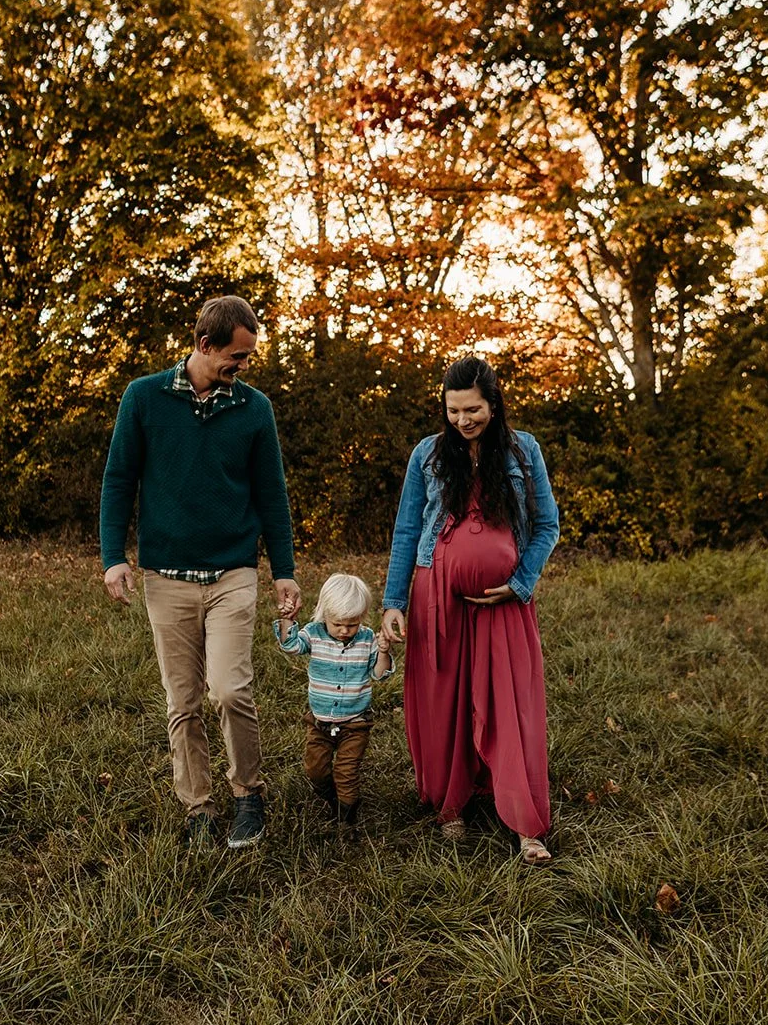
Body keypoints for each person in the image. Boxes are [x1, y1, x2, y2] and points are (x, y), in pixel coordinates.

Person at [100, 296, 300, 848]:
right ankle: (197, 806)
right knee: (183, 701)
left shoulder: (254, 409)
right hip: (165, 576)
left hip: (233, 573)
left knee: (231, 689)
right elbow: (119, 480)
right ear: (205, 345)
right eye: (236, 356)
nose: (243, 366)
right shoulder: (144, 399)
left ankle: (247, 796)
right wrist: (113, 556)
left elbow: (271, 495)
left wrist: (282, 570)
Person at [382, 357, 559, 864]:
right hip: (436, 596)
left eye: (474, 409)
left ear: (494, 403)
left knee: (511, 704)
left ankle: (526, 824)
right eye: (454, 410)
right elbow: (407, 531)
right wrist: (394, 602)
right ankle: (451, 804)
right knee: (444, 701)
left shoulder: (524, 451)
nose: (464, 420)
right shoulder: (428, 454)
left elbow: (547, 525)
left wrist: (519, 582)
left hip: (504, 603)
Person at [274, 573, 394, 839]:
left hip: (355, 723)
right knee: (315, 770)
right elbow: (290, 645)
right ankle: (332, 799)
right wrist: (288, 619)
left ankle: (347, 820)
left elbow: (379, 674)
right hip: (319, 723)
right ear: (324, 614)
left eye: (352, 624)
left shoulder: (367, 640)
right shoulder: (314, 634)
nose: (344, 630)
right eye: (338, 624)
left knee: (346, 772)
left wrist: (383, 651)